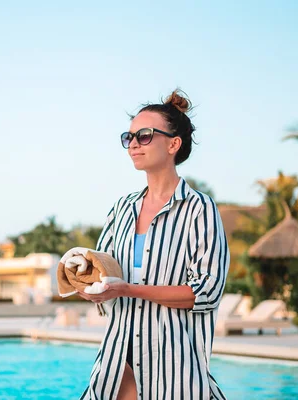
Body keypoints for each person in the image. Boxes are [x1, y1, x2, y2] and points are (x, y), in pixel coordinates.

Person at [78, 90, 229, 400]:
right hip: (117, 364)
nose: (133, 144)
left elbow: (205, 293)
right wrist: (86, 282)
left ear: (174, 144)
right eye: (129, 137)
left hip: (175, 371)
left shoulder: (199, 209)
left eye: (144, 136)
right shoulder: (122, 208)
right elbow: (101, 273)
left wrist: (129, 289)